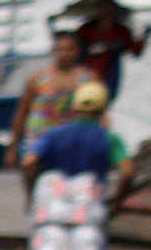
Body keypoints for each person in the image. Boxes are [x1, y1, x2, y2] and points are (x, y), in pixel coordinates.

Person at [23, 79, 134, 202]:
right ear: (103, 109)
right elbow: (127, 172)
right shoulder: (110, 138)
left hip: (55, 204)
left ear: (73, 107)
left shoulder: (53, 134)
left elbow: (28, 162)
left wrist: (32, 196)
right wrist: (117, 202)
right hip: (90, 206)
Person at [6, 29, 89, 184]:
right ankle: (32, 203)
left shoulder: (85, 80)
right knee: (31, 171)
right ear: (53, 51)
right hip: (38, 138)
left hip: (71, 141)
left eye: (68, 49)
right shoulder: (37, 79)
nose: (63, 54)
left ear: (77, 51)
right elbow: (21, 113)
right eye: (59, 49)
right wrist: (12, 147)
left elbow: (98, 114)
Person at [75, 0, 145, 99]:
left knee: (107, 97)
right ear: (98, 9)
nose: (107, 11)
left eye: (110, 8)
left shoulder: (121, 31)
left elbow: (136, 51)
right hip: (88, 68)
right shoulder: (86, 29)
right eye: (104, 7)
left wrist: (143, 37)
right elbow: (75, 48)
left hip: (111, 70)